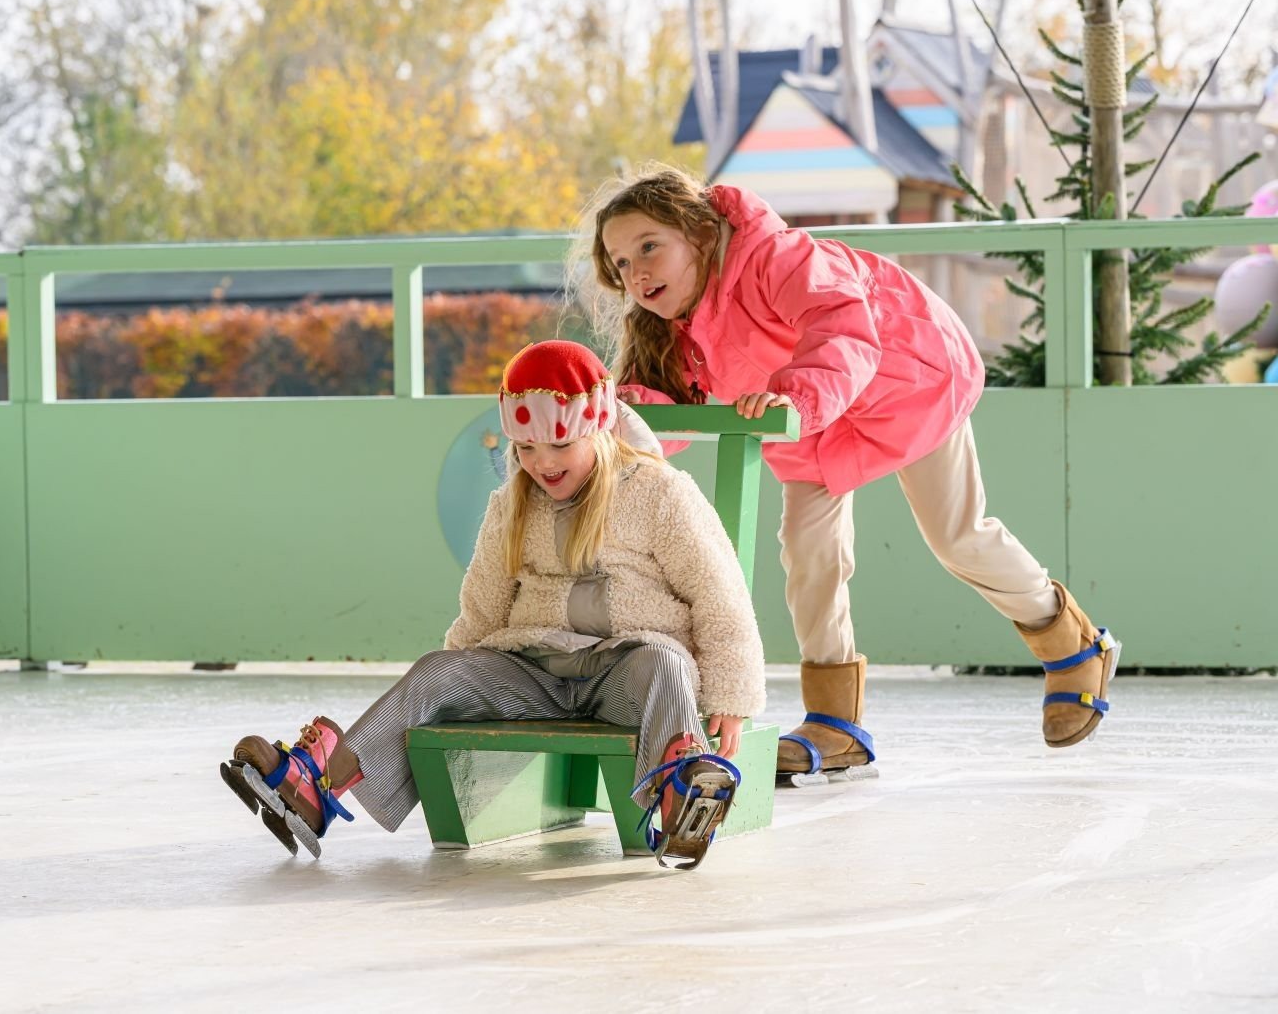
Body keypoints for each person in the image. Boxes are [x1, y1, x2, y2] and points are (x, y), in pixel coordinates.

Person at [574, 165, 1119, 783]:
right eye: (620, 263)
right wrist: (607, 425)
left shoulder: (775, 258)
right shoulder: (672, 329)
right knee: (809, 553)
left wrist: (797, 398)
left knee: (957, 535)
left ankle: (1070, 641)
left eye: (650, 247)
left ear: (699, 231)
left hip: (903, 383)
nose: (637, 272)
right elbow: (671, 412)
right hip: (812, 423)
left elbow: (841, 323)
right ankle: (835, 723)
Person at [221, 339, 765, 869]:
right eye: (526, 449)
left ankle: (681, 793)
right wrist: (453, 679)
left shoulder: (658, 493)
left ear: (598, 430)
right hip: (533, 672)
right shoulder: (512, 504)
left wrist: (730, 693)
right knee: (437, 671)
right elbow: (482, 605)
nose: (541, 463)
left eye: (558, 446)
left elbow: (719, 594)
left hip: (622, 670)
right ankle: (318, 786)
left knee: (664, 663)